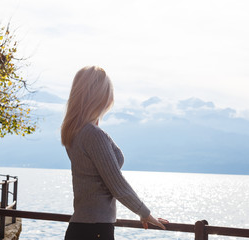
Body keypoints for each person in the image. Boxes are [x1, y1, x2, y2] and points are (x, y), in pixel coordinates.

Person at [61, 66, 168, 240]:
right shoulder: (93, 135)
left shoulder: (76, 132)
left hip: (82, 227)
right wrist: (145, 213)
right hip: (95, 230)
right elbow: (117, 184)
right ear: (100, 96)